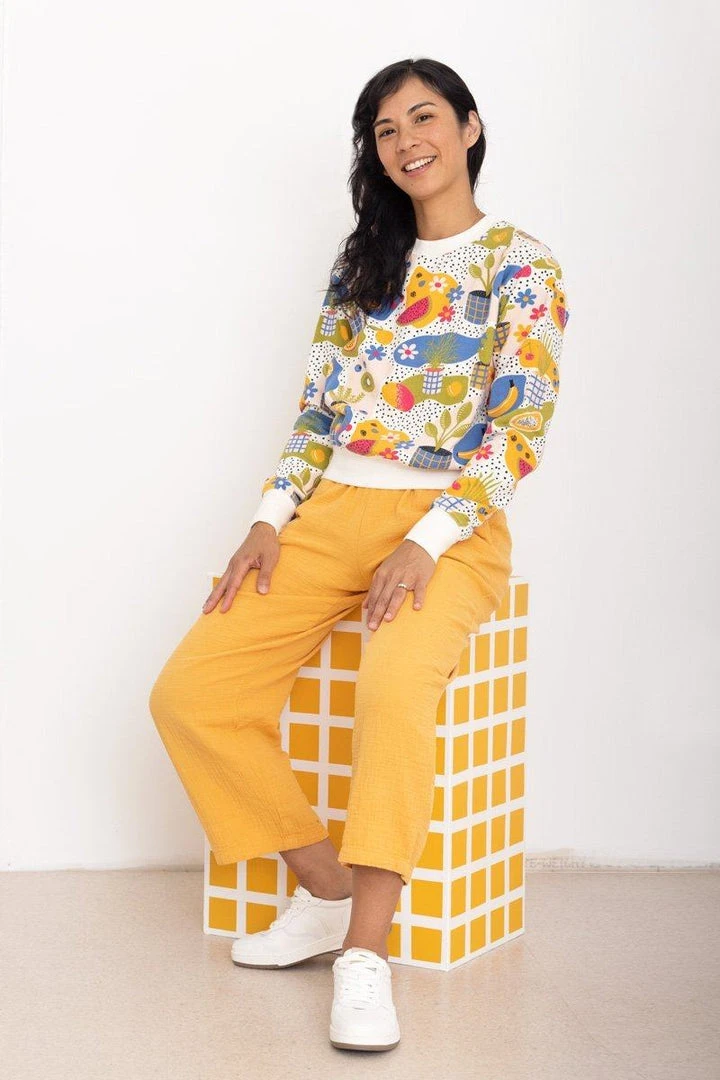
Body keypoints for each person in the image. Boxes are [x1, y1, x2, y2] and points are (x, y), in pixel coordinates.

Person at [149, 55, 569, 1053]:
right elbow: (317, 412)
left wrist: (427, 541)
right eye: (385, 130)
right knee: (193, 694)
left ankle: (364, 957)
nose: (406, 141)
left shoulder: (523, 264)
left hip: (453, 522)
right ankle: (327, 891)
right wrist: (270, 515)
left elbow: (520, 429)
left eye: (423, 118)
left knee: (391, 689)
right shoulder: (363, 265)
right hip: (332, 508)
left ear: (468, 127)